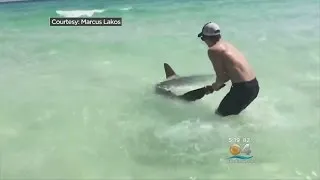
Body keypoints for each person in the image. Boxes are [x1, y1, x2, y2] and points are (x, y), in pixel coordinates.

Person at [197, 22, 260, 116]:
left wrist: (215, 85)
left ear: (207, 37)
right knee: (230, 116)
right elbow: (228, 76)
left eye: (203, 38)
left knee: (219, 116)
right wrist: (217, 85)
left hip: (242, 89)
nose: (204, 41)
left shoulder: (213, 50)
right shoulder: (227, 45)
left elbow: (221, 78)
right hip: (254, 86)